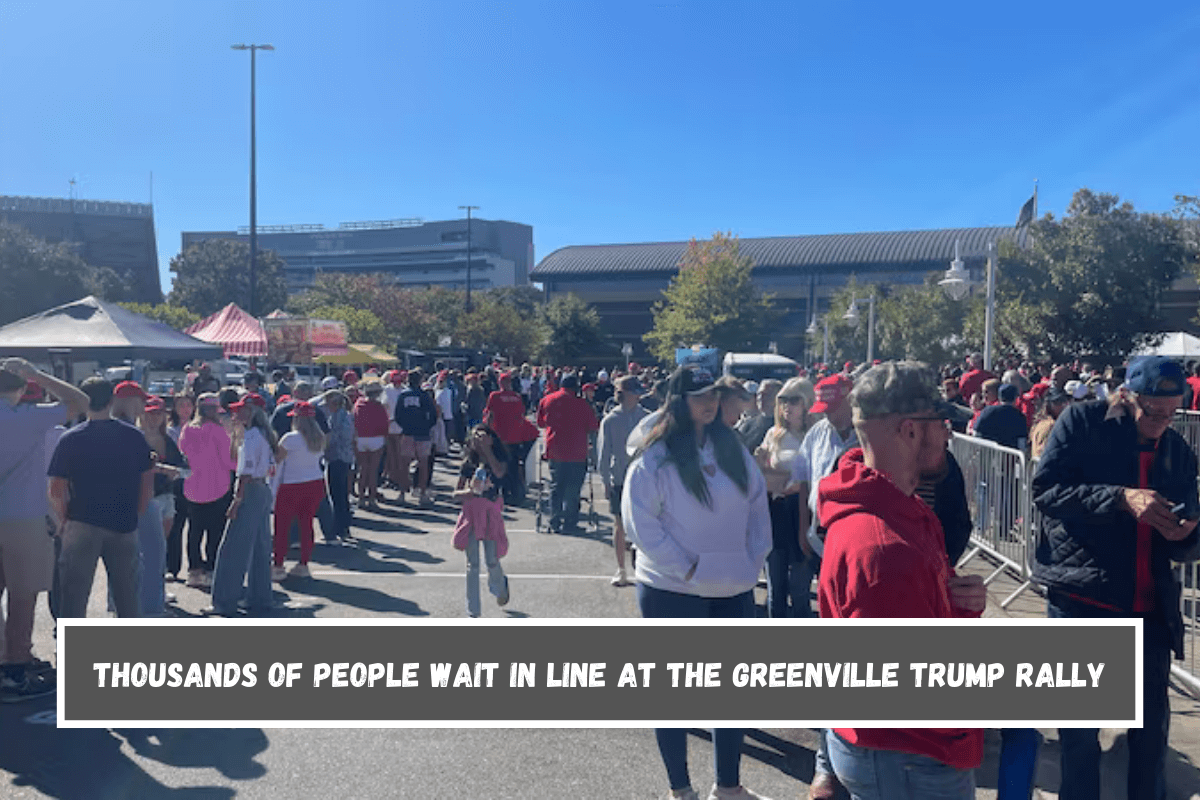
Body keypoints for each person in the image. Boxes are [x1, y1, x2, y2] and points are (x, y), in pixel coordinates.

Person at [1032, 355, 1198, 800]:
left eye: (1171, 412)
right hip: (1084, 603)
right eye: (1152, 411)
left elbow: (1186, 533)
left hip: (1149, 611)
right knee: (1081, 738)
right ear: (1127, 397)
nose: (1161, 422)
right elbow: (1045, 491)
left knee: (1150, 737)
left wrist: (1186, 532)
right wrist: (1120, 499)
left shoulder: (1177, 450)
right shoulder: (1083, 423)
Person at [817, 361, 985, 799]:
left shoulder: (898, 508)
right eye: (942, 424)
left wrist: (956, 606)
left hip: (896, 751)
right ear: (910, 430)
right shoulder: (884, 546)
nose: (949, 435)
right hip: (909, 753)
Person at [623, 366, 773, 800]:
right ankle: (680, 789)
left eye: (712, 393)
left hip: (732, 586)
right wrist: (687, 566)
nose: (708, 402)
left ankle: (728, 786)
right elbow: (641, 524)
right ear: (677, 400)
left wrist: (752, 558)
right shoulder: (656, 456)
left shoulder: (734, 450)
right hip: (674, 590)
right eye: (697, 395)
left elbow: (757, 505)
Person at [0, 358, 88, 700]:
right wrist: (35, 373)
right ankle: (15, 668)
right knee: (23, 597)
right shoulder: (30, 418)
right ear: (20, 390)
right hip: (22, 515)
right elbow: (80, 400)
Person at [49, 378, 154, 622]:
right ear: (111, 400)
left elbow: (56, 487)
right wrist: (138, 512)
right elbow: (146, 481)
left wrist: (63, 520)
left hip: (82, 521)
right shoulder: (134, 436)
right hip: (124, 523)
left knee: (74, 595)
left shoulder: (70, 438)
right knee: (127, 596)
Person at [207, 393, 276, 616]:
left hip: (249, 490)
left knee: (233, 549)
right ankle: (259, 598)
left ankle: (224, 602)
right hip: (262, 489)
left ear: (253, 411)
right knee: (259, 547)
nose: (236, 413)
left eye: (242, 409)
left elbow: (245, 474)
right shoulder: (265, 434)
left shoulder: (252, 436)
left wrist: (237, 501)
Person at [756, 377, 813, 618]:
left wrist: (789, 480)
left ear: (807, 402)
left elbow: (817, 476)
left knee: (800, 590)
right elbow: (762, 472)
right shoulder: (773, 434)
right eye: (783, 400)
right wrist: (788, 478)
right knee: (776, 589)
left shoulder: (815, 434)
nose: (787, 406)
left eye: (794, 400)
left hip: (804, 513)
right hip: (777, 512)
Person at [452, 425, 511, 617]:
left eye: (483, 437)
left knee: (492, 561)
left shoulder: (499, 459)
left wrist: (487, 450)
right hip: (471, 514)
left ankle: (500, 586)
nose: (478, 441)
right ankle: (473, 612)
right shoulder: (468, 463)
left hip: (490, 514)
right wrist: (468, 492)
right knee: (473, 565)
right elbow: (455, 494)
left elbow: (499, 472)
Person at [177, 393, 235, 588]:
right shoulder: (218, 431)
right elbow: (228, 461)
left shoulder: (188, 429)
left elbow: (182, 451)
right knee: (214, 532)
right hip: (218, 486)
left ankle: (194, 571)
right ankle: (210, 570)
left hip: (193, 487)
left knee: (194, 531)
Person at [596, 375, 648, 586]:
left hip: (644, 479)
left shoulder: (647, 418)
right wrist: (605, 481)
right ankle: (621, 569)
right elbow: (603, 452)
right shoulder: (610, 420)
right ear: (623, 394)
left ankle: (644, 567)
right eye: (633, 392)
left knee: (645, 522)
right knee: (619, 524)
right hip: (619, 478)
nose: (637, 395)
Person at [137, 395, 187, 617]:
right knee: (144, 551)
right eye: (151, 412)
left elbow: (183, 467)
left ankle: (158, 593)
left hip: (167, 497)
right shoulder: (136, 437)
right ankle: (145, 596)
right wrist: (162, 469)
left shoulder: (168, 439)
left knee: (160, 549)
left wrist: (171, 471)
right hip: (147, 498)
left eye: (159, 413)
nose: (155, 417)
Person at [271, 401, 327, 580]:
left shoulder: (290, 438)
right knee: (306, 524)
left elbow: (277, 460)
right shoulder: (319, 437)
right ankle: (304, 563)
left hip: (292, 485)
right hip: (315, 483)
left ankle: (278, 565)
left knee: (282, 526)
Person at [537, 373, 599, 534]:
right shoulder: (583, 405)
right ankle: (570, 523)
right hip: (577, 452)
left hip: (555, 450)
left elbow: (540, 422)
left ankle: (554, 521)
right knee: (573, 489)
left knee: (556, 487)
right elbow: (593, 426)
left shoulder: (548, 400)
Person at [483, 372, 539, 507]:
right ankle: (513, 494)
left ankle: (495, 492)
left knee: (496, 465)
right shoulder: (517, 397)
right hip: (514, 437)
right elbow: (521, 415)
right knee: (512, 467)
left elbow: (490, 415)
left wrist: (486, 430)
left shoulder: (495, 396)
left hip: (499, 436)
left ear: (500, 383)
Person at [395, 369, 439, 507]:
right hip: (423, 433)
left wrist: (405, 426)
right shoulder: (424, 395)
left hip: (407, 432)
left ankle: (402, 493)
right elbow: (433, 415)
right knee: (423, 464)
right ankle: (422, 493)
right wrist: (427, 426)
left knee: (404, 464)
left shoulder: (403, 395)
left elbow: (398, 415)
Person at [321, 389, 356, 543]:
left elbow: (338, 437)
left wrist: (325, 444)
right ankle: (342, 526)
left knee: (338, 494)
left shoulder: (340, 417)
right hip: (342, 457)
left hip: (338, 458)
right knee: (340, 494)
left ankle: (340, 527)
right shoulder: (342, 415)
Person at [352, 379, 389, 510]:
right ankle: (372, 498)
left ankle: (361, 498)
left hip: (361, 438)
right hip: (376, 439)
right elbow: (385, 424)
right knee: (373, 471)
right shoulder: (379, 406)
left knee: (363, 469)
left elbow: (354, 421)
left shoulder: (358, 404)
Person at [735, 379, 782, 452]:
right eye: (759, 394)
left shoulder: (783, 425)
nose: (761, 398)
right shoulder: (748, 424)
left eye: (767, 395)